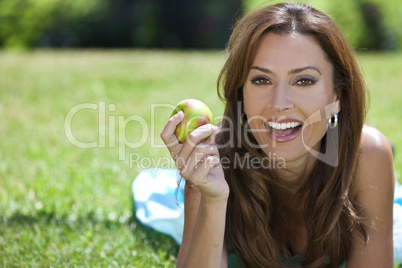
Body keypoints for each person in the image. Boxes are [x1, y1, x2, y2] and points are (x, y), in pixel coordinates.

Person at [160, 3, 395, 267]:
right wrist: (214, 199)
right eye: (261, 80)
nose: (279, 103)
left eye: (304, 81)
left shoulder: (367, 155)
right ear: (241, 93)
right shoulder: (212, 161)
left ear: (338, 95)